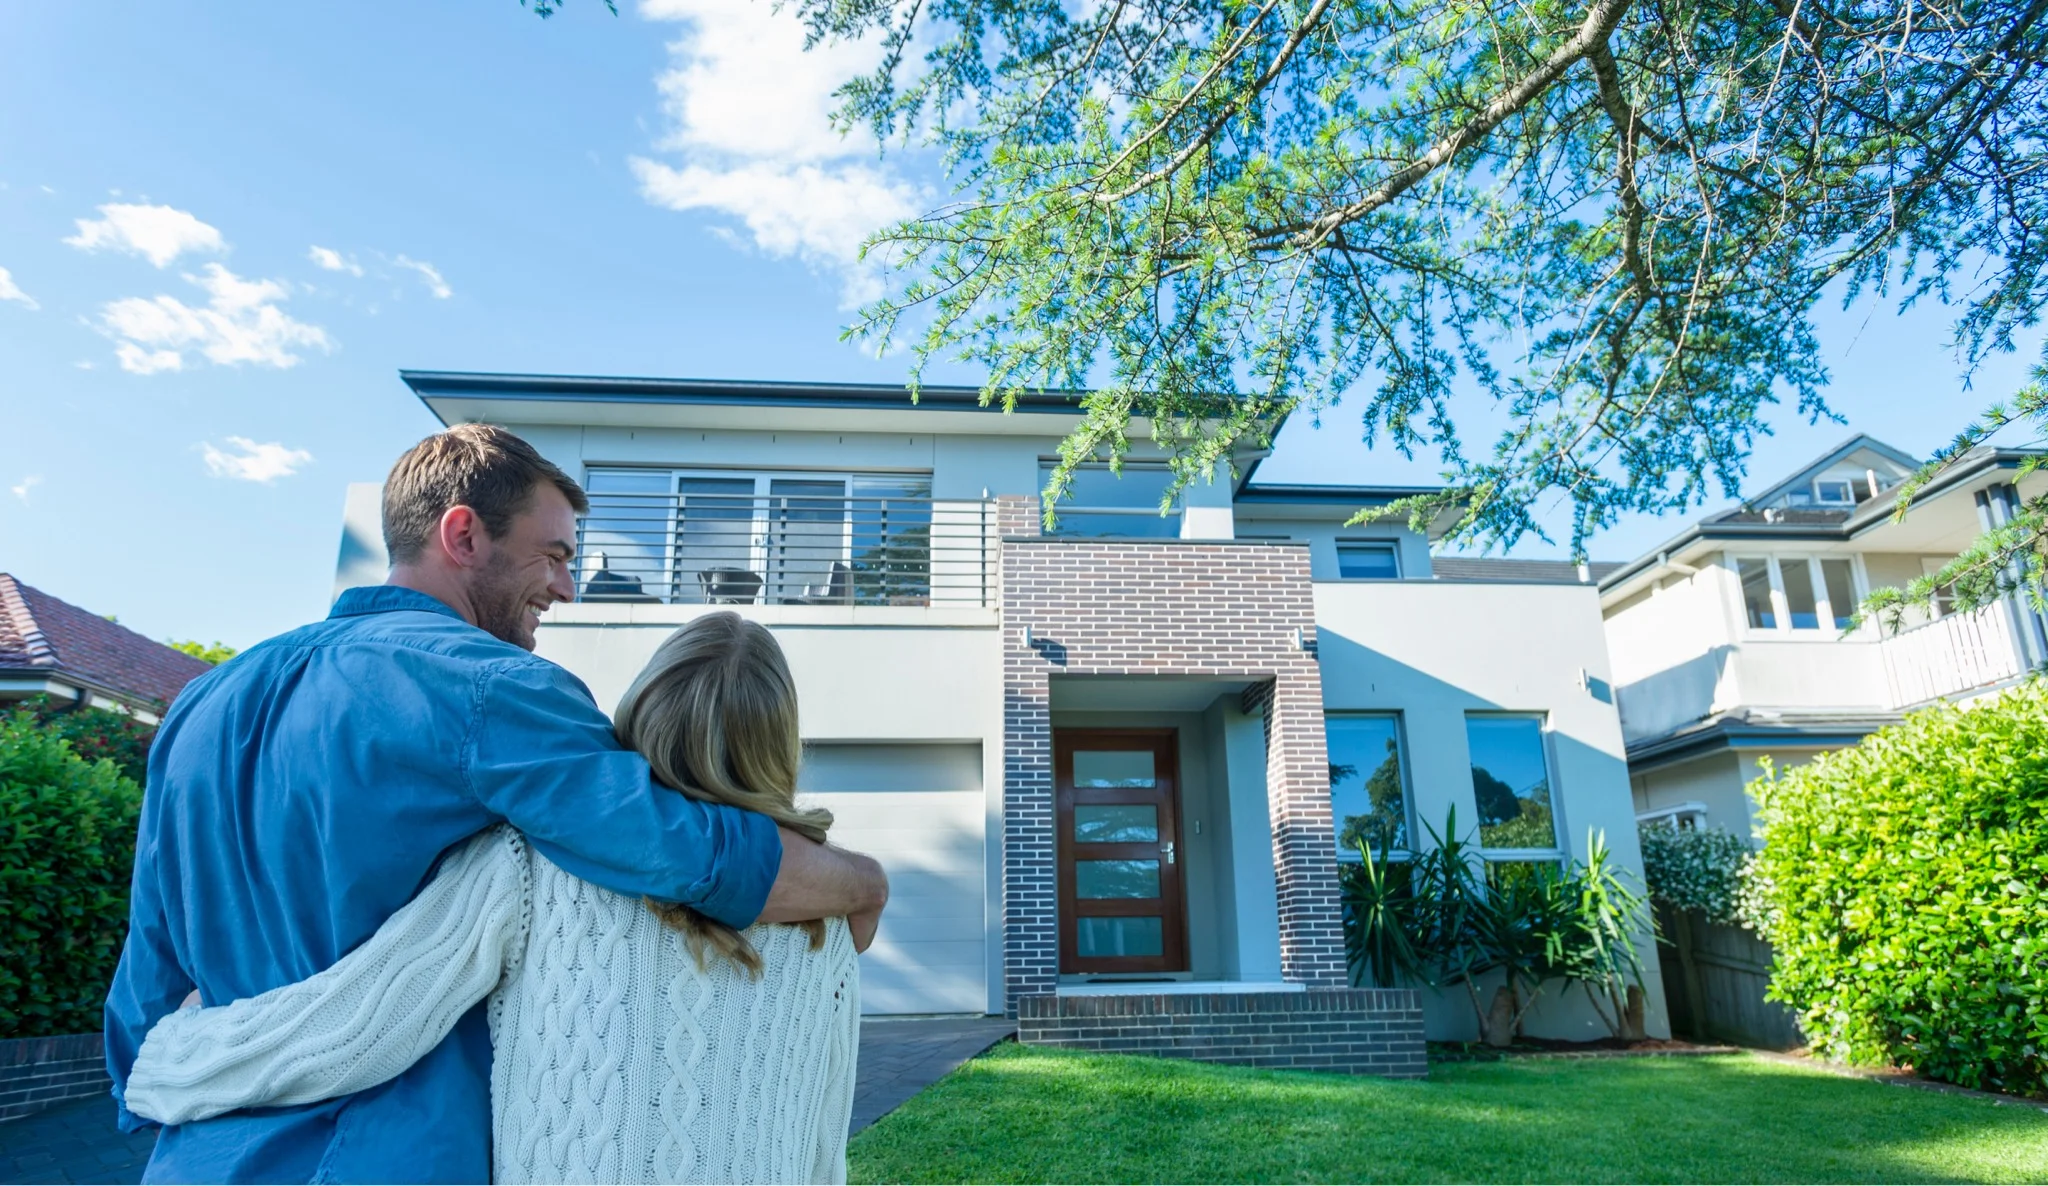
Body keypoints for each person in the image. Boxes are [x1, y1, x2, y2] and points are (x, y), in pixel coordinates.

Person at [104, 426, 887, 1183]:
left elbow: (149, 967)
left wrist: (159, 1090)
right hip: (385, 1158)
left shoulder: (202, 704)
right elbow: (676, 847)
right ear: (463, 535)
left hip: (194, 1156)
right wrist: (860, 881)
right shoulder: (492, 688)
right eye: (553, 555)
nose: (566, 586)